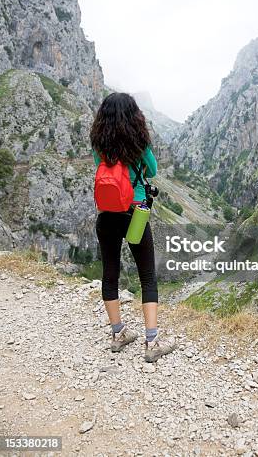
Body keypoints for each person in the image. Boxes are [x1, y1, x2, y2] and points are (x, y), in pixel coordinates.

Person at [90, 92, 176, 362]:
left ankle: (118, 334)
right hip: (135, 214)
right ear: (134, 116)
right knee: (147, 276)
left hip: (107, 216)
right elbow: (151, 171)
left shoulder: (99, 144)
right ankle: (152, 342)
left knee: (110, 273)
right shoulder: (140, 144)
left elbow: (99, 168)